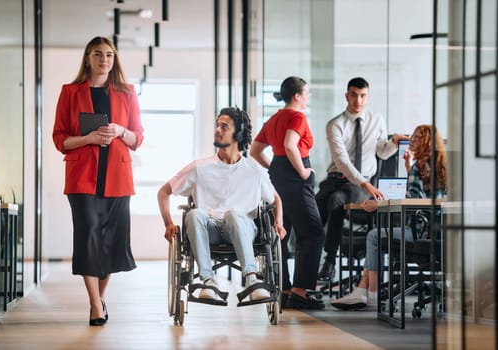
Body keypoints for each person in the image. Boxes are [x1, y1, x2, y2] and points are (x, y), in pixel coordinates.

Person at [52, 36, 144, 326]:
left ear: (113, 60)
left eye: (108, 54)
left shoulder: (127, 92)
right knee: (89, 233)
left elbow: (138, 137)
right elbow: (60, 139)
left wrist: (120, 130)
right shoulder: (70, 92)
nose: (104, 59)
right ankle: (94, 304)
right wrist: (89, 138)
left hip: (118, 176)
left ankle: (101, 298)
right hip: (82, 178)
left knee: (112, 241)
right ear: (87, 58)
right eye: (97, 54)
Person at [157, 107, 287, 303]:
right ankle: (208, 281)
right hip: (211, 229)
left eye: (224, 126)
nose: (218, 130)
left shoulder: (254, 171)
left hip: (243, 226)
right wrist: (168, 223)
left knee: (233, 214)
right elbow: (163, 192)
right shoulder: (199, 167)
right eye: (217, 125)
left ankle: (252, 280)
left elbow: (275, 199)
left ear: (239, 133)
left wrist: (279, 222)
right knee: (194, 214)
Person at [331, 124, 447, 310]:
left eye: (417, 137)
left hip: (419, 233)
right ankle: (362, 290)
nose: (412, 140)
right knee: (378, 236)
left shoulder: (421, 166)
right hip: (441, 234)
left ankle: (371, 293)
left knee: (374, 236)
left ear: (426, 142)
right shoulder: (442, 167)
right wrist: (409, 167)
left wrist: (378, 204)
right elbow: (426, 196)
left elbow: (413, 198)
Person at [315, 77, 408, 281]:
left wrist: (393, 141)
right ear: (346, 95)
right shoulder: (336, 125)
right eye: (354, 95)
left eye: (363, 95)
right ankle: (309, 266)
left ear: (368, 97)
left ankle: (330, 261)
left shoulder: (377, 120)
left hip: (358, 184)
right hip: (336, 179)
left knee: (336, 200)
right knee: (313, 213)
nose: (358, 100)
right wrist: (365, 183)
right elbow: (342, 161)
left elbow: (382, 153)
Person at [250, 76, 325, 309]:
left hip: (278, 174)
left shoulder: (273, 119)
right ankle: (300, 292)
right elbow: (291, 144)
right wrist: (302, 172)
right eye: (306, 93)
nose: (308, 97)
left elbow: (255, 150)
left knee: (282, 232)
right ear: (297, 96)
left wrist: (273, 167)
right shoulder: (297, 116)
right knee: (313, 232)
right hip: (295, 174)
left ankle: (283, 290)